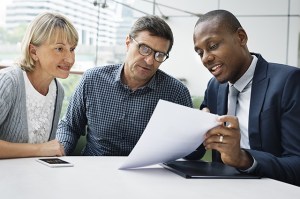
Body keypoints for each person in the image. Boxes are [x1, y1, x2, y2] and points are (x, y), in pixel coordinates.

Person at [188, 9, 300, 186]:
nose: (206, 58)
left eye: (213, 46)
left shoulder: (289, 82)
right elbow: (196, 153)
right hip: (218, 189)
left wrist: (244, 159)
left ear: (241, 38)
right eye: (199, 52)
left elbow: (297, 164)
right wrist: (191, 133)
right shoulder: (214, 87)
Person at [56, 15, 193, 156]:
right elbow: (69, 126)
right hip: (94, 169)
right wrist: (60, 151)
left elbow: (191, 148)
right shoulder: (93, 80)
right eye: (144, 49)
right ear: (128, 42)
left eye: (159, 55)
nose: (150, 60)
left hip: (146, 174)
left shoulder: (176, 93)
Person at [0, 12, 78, 159]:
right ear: (33, 51)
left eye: (72, 49)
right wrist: (39, 149)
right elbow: (43, 149)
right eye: (59, 49)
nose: (70, 59)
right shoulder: (9, 82)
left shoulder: (57, 91)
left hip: (34, 176)